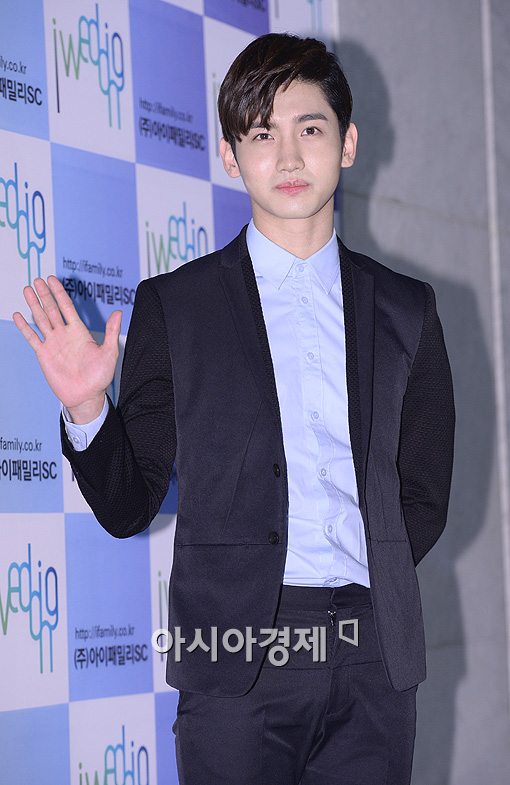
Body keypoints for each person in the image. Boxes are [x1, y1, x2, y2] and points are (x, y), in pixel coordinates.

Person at [13, 33, 455, 785]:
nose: (288, 156)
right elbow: (128, 504)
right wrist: (87, 406)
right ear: (229, 155)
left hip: (375, 661)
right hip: (235, 664)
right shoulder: (177, 307)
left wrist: (369, 575)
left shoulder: (408, 309)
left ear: (347, 144)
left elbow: (424, 492)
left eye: (309, 128)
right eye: (261, 134)